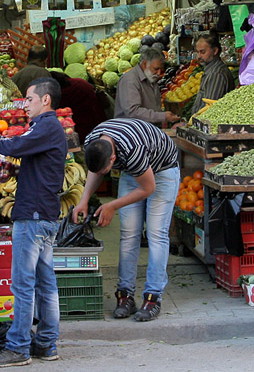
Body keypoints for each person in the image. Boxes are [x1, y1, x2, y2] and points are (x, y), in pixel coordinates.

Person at [0, 78, 68, 367]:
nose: (26, 104)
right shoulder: (47, 128)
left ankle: (18, 346)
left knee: (23, 283)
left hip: (32, 216)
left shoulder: (46, 126)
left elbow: (15, 146)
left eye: (29, 99)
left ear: (45, 100)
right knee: (45, 283)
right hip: (43, 214)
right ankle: (46, 343)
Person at [75, 119, 180, 322]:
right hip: (134, 171)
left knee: (156, 234)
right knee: (128, 234)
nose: (102, 175)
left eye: (106, 171)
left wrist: (113, 205)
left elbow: (148, 188)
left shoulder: (133, 149)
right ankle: (125, 296)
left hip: (162, 171)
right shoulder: (92, 141)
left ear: (113, 158)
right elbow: (95, 170)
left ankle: (153, 298)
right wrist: (84, 200)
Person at [114, 48, 180, 127]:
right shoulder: (130, 81)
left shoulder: (151, 78)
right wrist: (162, 116)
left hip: (147, 130)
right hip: (132, 132)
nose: (159, 73)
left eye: (161, 69)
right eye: (156, 69)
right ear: (144, 64)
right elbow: (133, 112)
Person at [47, 70, 105, 142]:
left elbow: (60, 114)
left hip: (85, 130)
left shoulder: (65, 92)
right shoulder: (74, 82)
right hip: (97, 124)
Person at [190, 34, 235, 116]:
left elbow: (209, 109)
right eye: (197, 52)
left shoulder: (216, 74)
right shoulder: (210, 71)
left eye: (202, 52)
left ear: (215, 51)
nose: (199, 56)